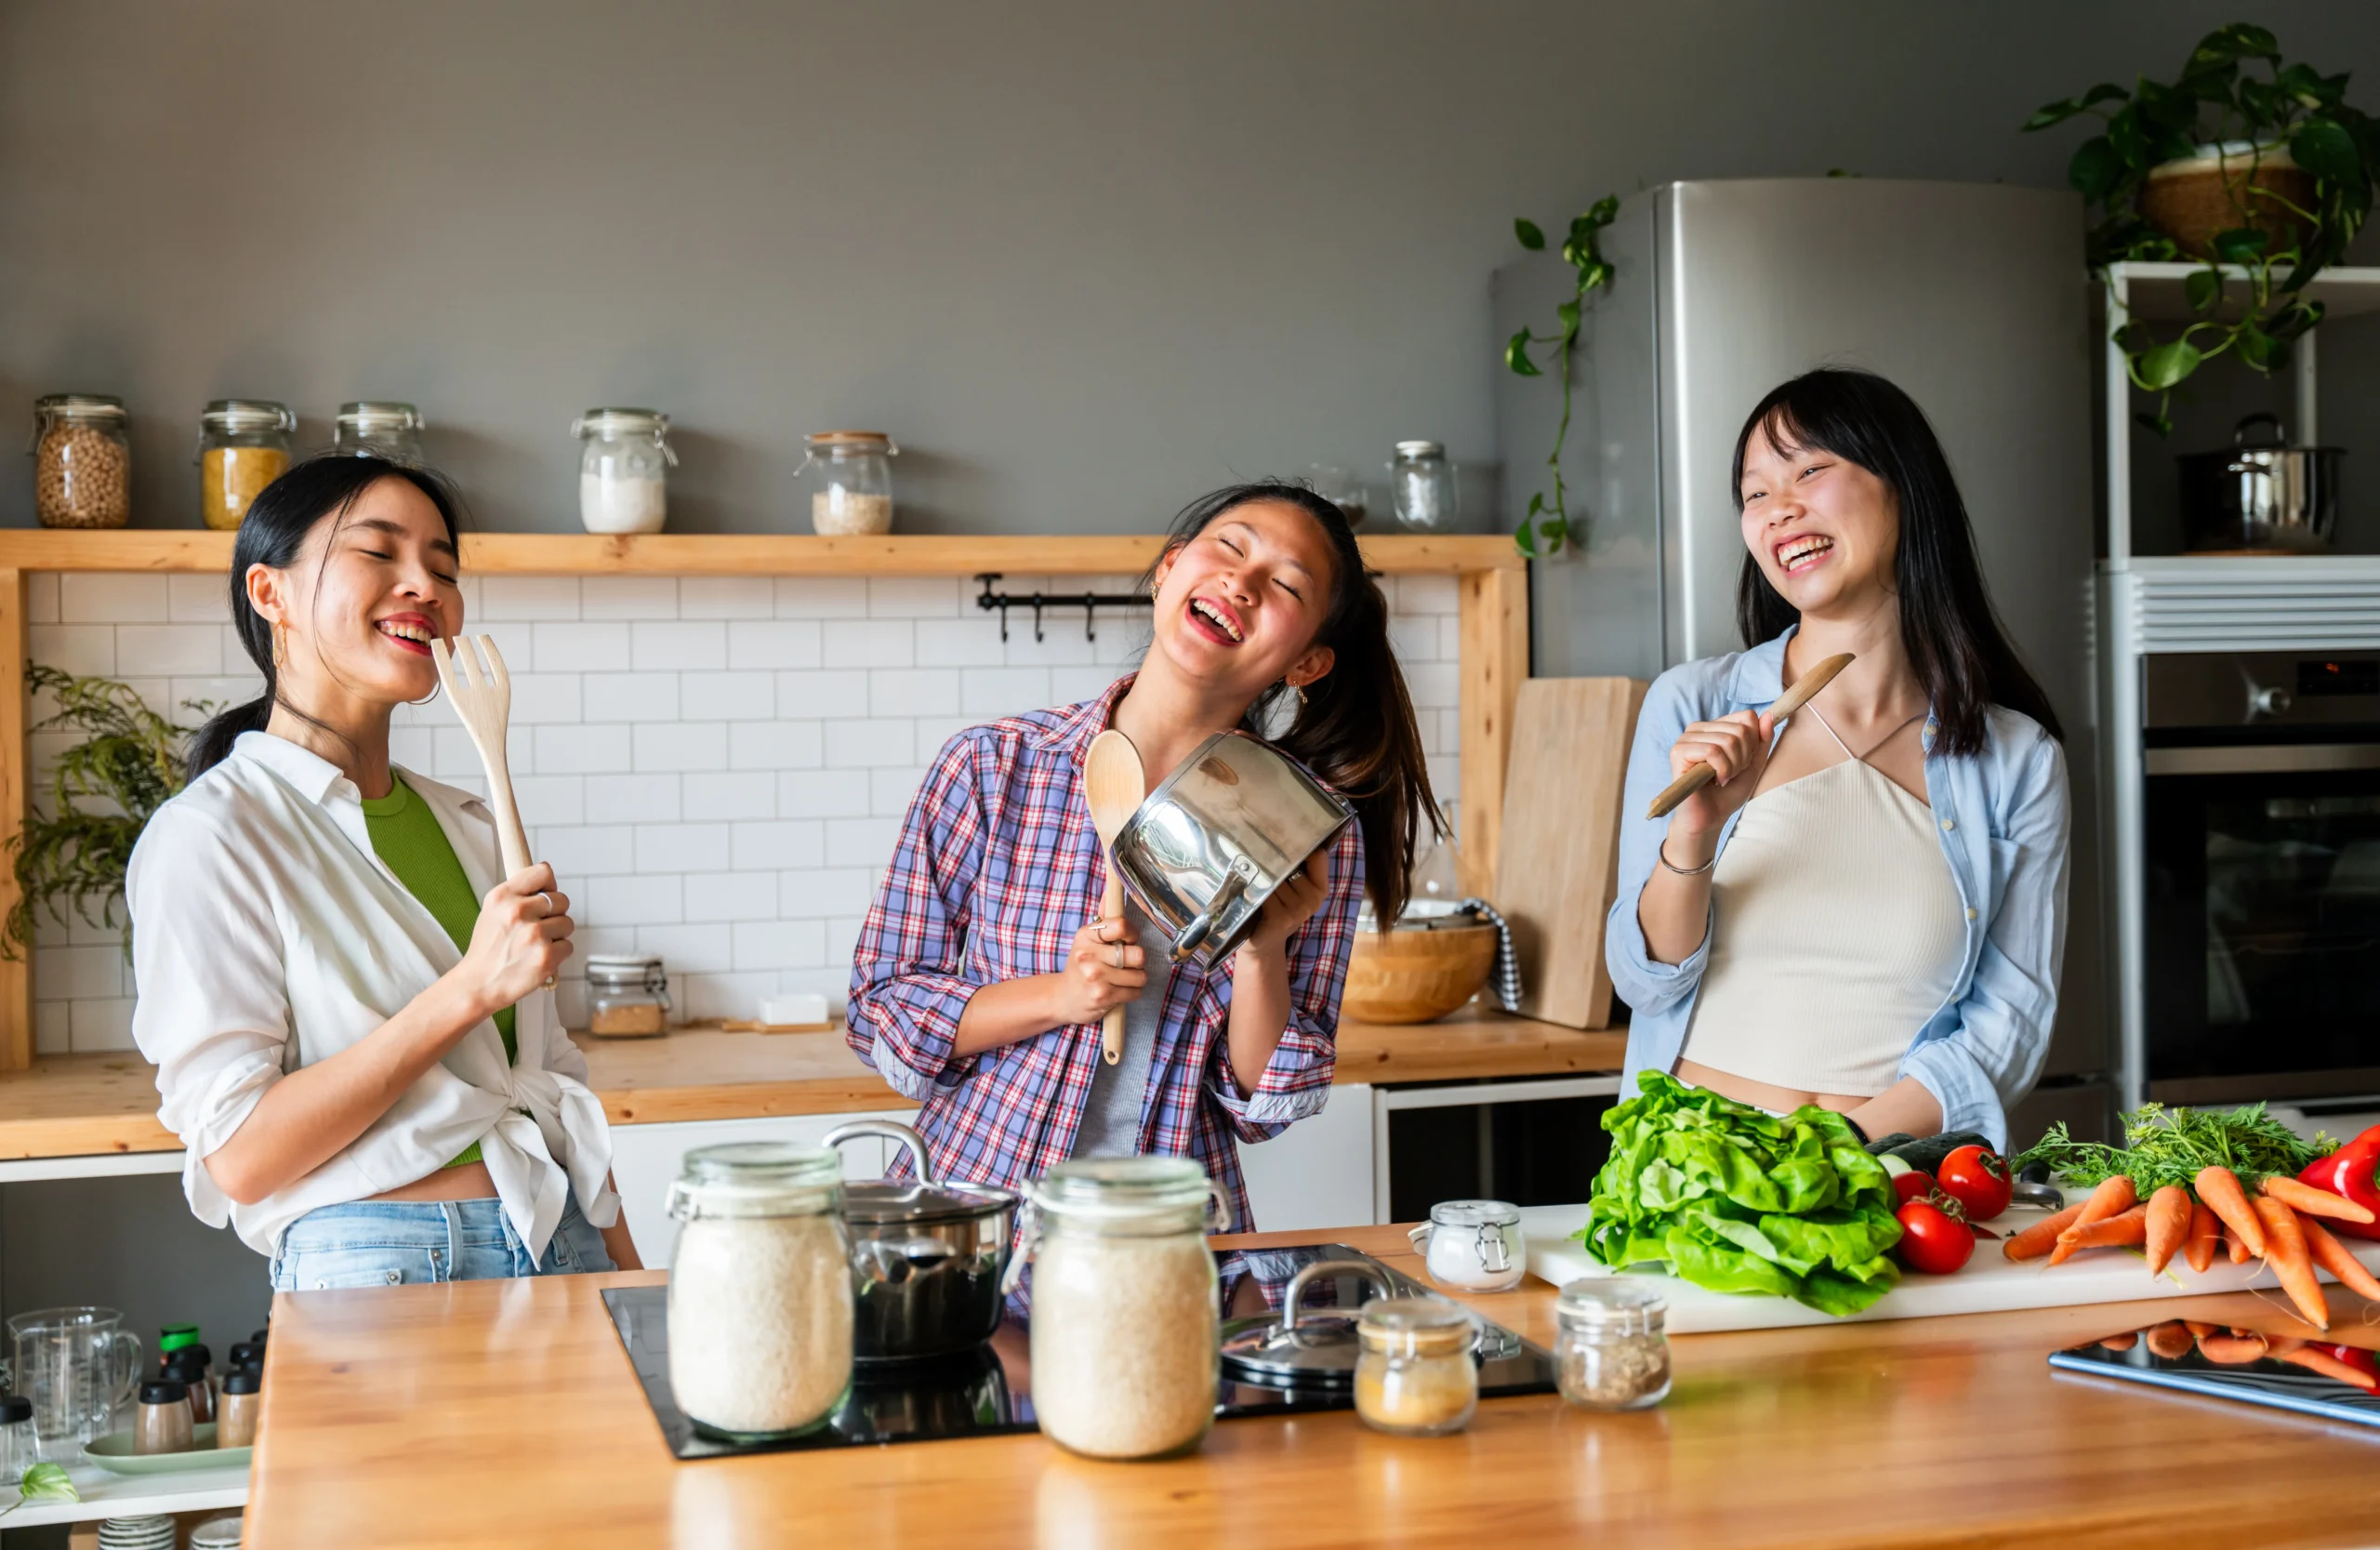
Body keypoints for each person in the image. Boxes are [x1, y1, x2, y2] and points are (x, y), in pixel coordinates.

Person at [847, 483, 1437, 1227]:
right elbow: (884, 1006)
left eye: (1286, 583)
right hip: (970, 1229)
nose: (1243, 582)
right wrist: (1064, 995)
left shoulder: (1306, 829)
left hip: (1166, 1234)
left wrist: (1262, 954)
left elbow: (1262, 1103)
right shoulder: (994, 766)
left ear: (1308, 664)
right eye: (1230, 545)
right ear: (1168, 571)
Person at [128, 455, 637, 1289]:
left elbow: (551, 1082)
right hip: (385, 1262)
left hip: (562, 1238)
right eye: (379, 553)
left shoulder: (471, 824)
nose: (425, 587)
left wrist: (625, 1272)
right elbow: (243, 1157)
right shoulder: (211, 835)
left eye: (443, 567)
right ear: (271, 593)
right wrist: (471, 987)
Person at [1606, 368, 2070, 1150]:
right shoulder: (1692, 705)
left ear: (1904, 488)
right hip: (1696, 1172)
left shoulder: (2019, 760)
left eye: (1810, 470)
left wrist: (1831, 1151)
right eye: (1754, 493)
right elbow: (1643, 977)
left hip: (1894, 1189)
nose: (1778, 507)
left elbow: (2009, 1026)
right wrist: (1691, 836)